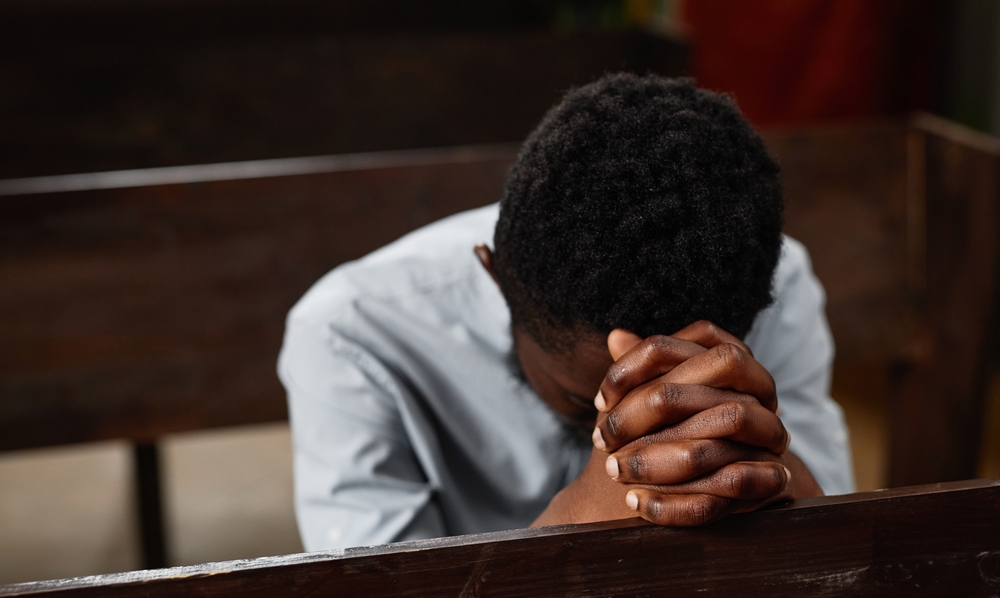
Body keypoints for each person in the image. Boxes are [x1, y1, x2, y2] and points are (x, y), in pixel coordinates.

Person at [278, 74, 854, 552]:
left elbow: (842, 546)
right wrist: (579, 518)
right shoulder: (351, 336)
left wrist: (776, 467)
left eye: (702, 387)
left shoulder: (773, 279)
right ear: (495, 279)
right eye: (586, 404)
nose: (647, 442)